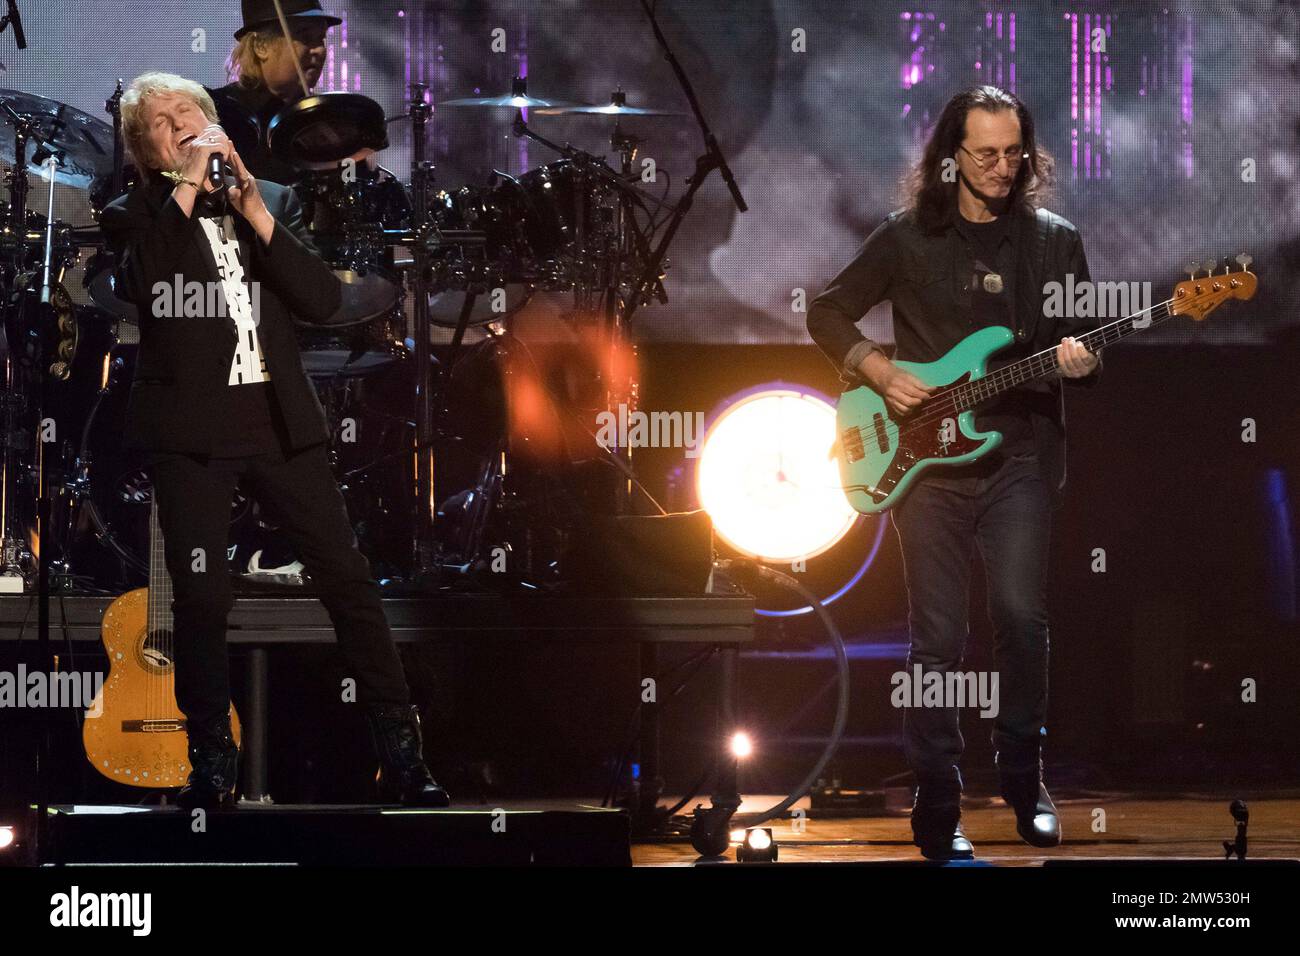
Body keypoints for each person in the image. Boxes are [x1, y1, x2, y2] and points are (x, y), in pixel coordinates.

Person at [100, 71, 449, 810]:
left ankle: (404, 755)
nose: (183, 123)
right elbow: (151, 281)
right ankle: (213, 765)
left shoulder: (275, 201)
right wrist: (189, 185)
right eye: (164, 121)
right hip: (192, 435)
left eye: (191, 110)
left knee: (348, 583)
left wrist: (255, 208)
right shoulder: (132, 212)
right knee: (200, 598)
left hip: (279, 424)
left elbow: (324, 300)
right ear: (144, 151)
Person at [807, 85, 1101, 860]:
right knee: (937, 636)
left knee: (1021, 618)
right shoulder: (906, 239)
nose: (1004, 168)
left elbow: (1084, 345)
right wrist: (874, 367)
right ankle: (937, 795)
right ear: (952, 158)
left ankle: (1022, 778)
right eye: (987, 154)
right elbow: (827, 311)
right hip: (924, 464)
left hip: (1021, 455)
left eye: (1015, 153)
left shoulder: (1053, 242)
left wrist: (1081, 359)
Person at [209, 0, 339, 185]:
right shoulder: (219, 114)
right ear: (261, 46)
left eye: (321, 39)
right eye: (305, 37)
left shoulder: (328, 119)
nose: (319, 49)